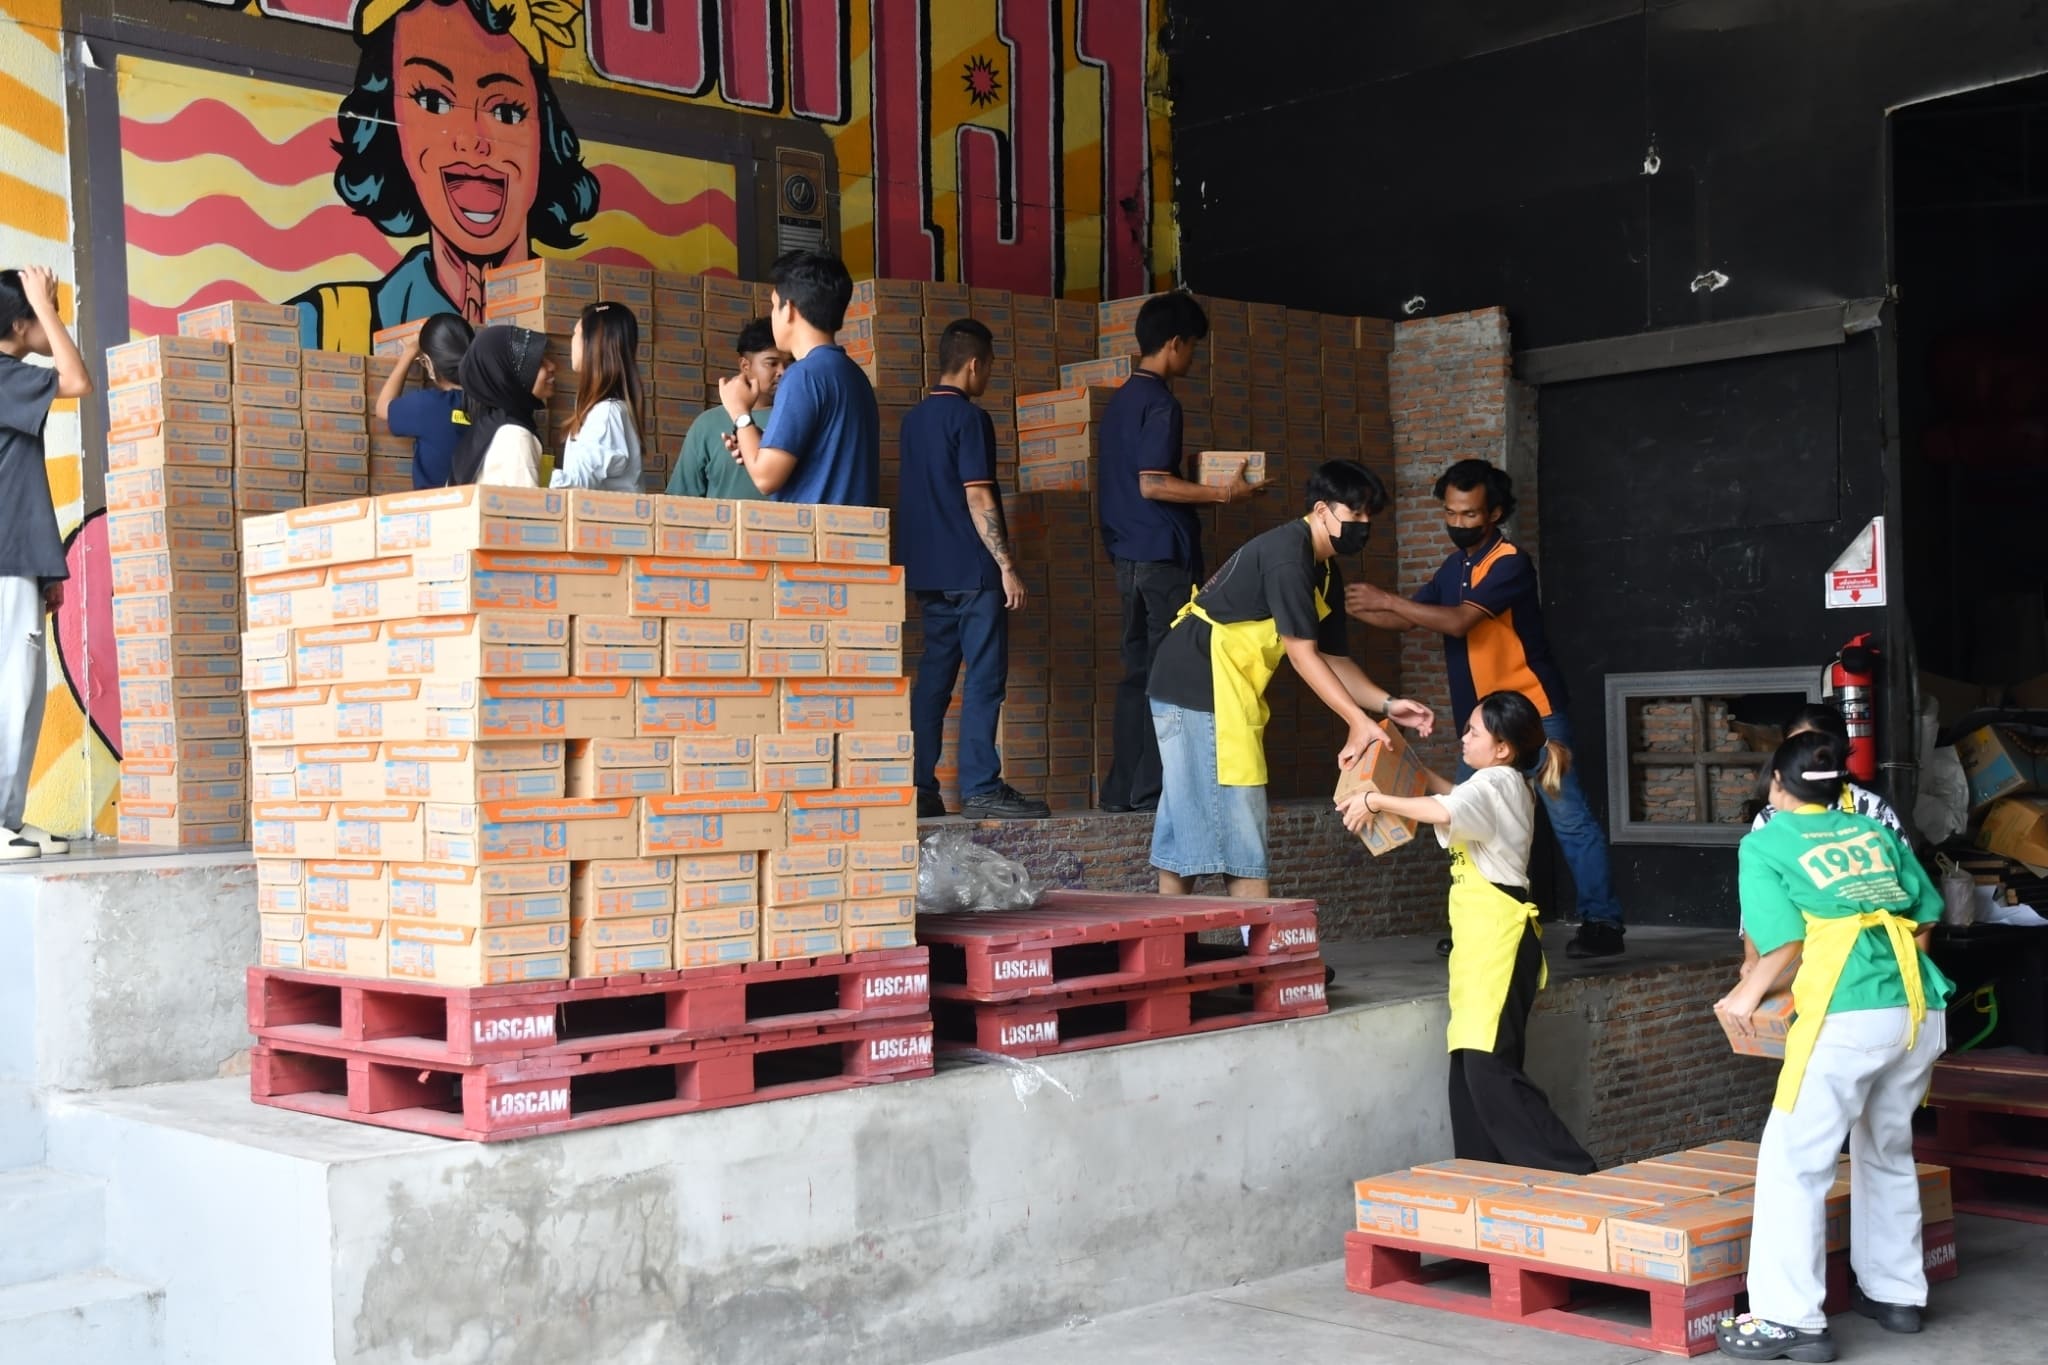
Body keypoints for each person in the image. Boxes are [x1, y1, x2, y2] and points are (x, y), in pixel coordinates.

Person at [1712, 730, 1951, 1362]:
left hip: (1846, 1016)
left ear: (1776, 784)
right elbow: (1927, 913)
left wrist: (1743, 998)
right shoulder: (1873, 832)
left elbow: (1782, 943)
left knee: (1794, 1164)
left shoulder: (1765, 842)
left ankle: (1788, 1319)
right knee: (1887, 1147)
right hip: (1917, 1007)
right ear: (1840, 786)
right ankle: (1898, 1295)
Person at [1346, 459, 1627, 960]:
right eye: (1450, 513)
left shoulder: (1510, 562)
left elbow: (1456, 622)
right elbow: (1410, 619)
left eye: (1469, 514)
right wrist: (1348, 610)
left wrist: (1385, 598)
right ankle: (1475, 922)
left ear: (1495, 513)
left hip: (1535, 714)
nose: (1457, 523)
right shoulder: (1453, 568)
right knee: (1465, 820)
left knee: (1569, 819)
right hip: (1482, 727)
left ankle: (1602, 923)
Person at [1337, 691, 1596, 1174]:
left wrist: (1374, 798)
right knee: (1469, 1073)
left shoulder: (1495, 783)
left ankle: (1574, 1172)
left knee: (1489, 1070)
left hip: (1499, 945)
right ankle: (1482, 1182)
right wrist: (1407, 767)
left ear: (1502, 748)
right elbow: (1452, 796)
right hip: (1483, 948)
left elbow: (1445, 810)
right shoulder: (1500, 781)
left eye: (1474, 730)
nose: (1464, 736)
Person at [1147, 459, 1432, 898]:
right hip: (1200, 688)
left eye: (1369, 516)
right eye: (1354, 513)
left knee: (1187, 827)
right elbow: (1301, 656)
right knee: (1240, 830)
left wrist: (1386, 705)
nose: (1362, 525)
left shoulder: (1324, 569)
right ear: (1321, 510)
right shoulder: (1288, 556)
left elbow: (1332, 658)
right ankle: (1265, 940)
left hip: (1217, 691)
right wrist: (1356, 722)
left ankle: (1177, 936)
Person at [294, 0, 601, 351]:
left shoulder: (587, 336)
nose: (472, 139)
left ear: (543, 136)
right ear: (392, 130)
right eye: (432, 101)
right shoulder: (322, 327)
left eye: (506, 111)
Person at [1098, 291, 1260, 814]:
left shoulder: (1119, 402)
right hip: (1163, 557)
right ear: (1174, 343)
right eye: (1193, 346)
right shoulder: (1161, 403)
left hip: (1127, 556)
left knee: (1136, 674)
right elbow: (1152, 483)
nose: (1193, 357)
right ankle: (1152, 792)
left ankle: (1121, 790)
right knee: (1170, 673)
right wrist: (1223, 493)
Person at [900, 320, 1048, 823]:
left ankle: (920, 787)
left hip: (928, 571)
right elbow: (979, 494)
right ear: (974, 364)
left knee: (935, 680)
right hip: (972, 569)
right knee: (985, 677)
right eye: (988, 368)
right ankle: (981, 786)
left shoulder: (913, 420)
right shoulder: (969, 418)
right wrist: (1007, 566)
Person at [0, 267, 90, 860]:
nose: (52, 318)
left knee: (25, 694)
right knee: (10, 690)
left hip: (19, 554)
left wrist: (48, 567)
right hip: (5, 557)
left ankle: (8, 816)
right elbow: (77, 380)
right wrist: (45, 304)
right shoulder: (4, 376)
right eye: (41, 312)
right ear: (18, 324)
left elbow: (21, 482)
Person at [718, 250, 879, 506]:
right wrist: (754, 441)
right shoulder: (854, 374)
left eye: (774, 305)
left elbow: (765, 478)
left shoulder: (802, 375)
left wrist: (740, 413)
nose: (773, 314)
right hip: (852, 529)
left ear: (790, 309)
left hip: (815, 531)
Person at [668, 318, 788, 499]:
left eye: (790, 362)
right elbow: (679, 499)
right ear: (745, 366)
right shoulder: (707, 424)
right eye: (772, 363)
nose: (783, 372)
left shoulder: (800, 419)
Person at [552, 301, 643, 492]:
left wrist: (531, 471)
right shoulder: (604, 411)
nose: (571, 341)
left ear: (594, 342)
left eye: (575, 333)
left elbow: (579, 484)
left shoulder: (607, 413)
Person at [375, 312, 473, 489]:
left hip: (435, 505)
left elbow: (382, 408)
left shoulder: (428, 405)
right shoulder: (493, 402)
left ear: (428, 363)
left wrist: (409, 353)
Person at [450, 324, 553, 488]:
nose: (552, 367)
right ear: (507, 374)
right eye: (538, 363)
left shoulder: (484, 429)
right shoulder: (516, 437)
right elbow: (527, 503)